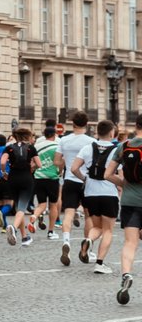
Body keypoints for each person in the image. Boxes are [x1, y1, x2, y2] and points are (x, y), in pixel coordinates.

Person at [72, 119, 120, 276]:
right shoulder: (116, 150)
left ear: (97, 132)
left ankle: (88, 240)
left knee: (97, 227)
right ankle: (99, 263)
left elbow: (74, 168)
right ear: (112, 133)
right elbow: (120, 175)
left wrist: (84, 179)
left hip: (90, 194)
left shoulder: (87, 148)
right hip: (109, 193)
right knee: (108, 230)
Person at [106, 115, 142, 304]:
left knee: (130, 242)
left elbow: (107, 174)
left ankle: (126, 274)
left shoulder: (124, 146)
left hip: (129, 201)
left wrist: (124, 185)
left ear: (136, 126)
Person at [57, 110, 93, 266]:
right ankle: (86, 249)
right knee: (89, 216)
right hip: (86, 181)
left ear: (72, 124)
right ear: (86, 124)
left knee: (68, 214)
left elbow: (57, 161)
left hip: (69, 180)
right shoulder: (91, 141)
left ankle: (66, 241)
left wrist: (65, 163)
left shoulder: (64, 140)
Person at [2, 128, 38, 247]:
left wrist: (4, 172)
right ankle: (14, 227)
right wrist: (32, 168)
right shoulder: (31, 148)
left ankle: (24, 237)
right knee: (22, 208)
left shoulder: (9, 147)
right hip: (26, 178)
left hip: (12, 178)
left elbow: (2, 162)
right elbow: (39, 164)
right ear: (27, 136)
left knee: (19, 207)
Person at [32, 121, 61, 238]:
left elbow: (32, 162)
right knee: (53, 205)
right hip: (52, 178)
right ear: (54, 135)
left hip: (39, 178)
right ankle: (50, 231)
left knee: (41, 204)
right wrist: (60, 171)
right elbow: (60, 161)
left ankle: (34, 217)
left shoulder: (37, 146)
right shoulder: (57, 146)